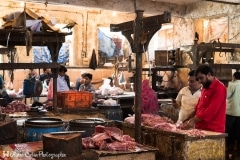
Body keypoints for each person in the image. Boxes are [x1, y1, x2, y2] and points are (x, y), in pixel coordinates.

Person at [185, 64, 227, 133]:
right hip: (202, 128)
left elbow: (211, 111)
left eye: (201, 78)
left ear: (209, 75)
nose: (200, 81)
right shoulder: (205, 87)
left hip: (213, 129)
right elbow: (200, 104)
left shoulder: (219, 88)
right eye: (198, 79)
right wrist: (192, 114)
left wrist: (194, 120)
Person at [226, 71, 240, 155]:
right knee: (238, 129)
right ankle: (235, 146)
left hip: (231, 111)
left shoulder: (232, 85)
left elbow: (227, 96)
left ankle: (228, 146)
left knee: (229, 129)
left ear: (234, 77)